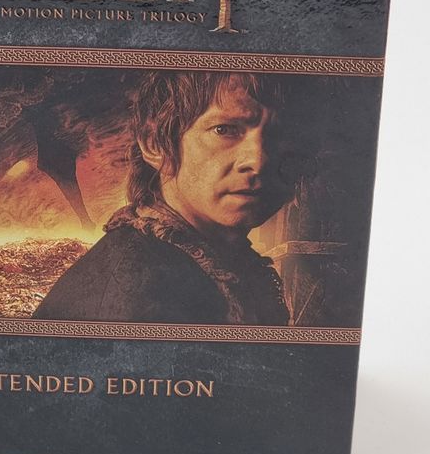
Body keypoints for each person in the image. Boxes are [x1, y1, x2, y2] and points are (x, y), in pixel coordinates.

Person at [33, 71, 310, 325]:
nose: (258, 161)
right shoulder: (140, 291)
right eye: (224, 130)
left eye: (279, 134)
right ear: (155, 144)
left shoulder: (218, 261)